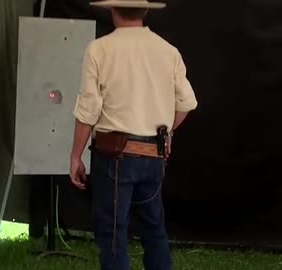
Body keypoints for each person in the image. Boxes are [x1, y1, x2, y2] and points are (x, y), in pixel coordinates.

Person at [69, 0, 198, 269]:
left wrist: (75, 156)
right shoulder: (167, 51)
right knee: (153, 229)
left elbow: (89, 109)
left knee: (113, 233)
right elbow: (187, 103)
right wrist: (167, 133)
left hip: (114, 158)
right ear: (146, 10)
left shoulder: (99, 49)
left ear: (112, 10)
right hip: (154, 155)